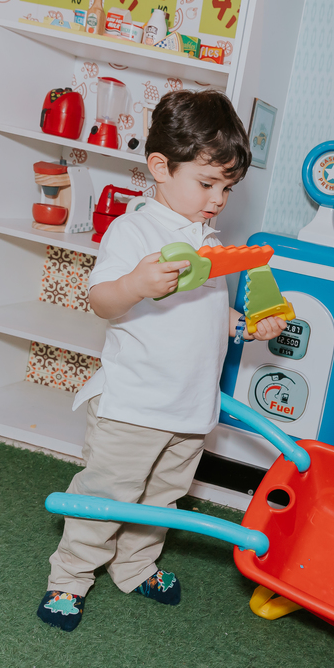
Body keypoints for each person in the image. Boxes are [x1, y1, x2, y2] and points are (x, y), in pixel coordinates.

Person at [37, 90, 286, 632]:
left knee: (163, 499)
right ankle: (70, 578)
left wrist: (245, 324)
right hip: (134, 405)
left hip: (189, 408)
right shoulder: (135, 231)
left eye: (227, 187)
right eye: (207, 183)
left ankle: (135, 565)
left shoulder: (206, 238)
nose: (218, 199)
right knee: (107, 495)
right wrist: (134, 284)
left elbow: (203, 315)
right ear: (160, 167)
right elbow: (101, 300)